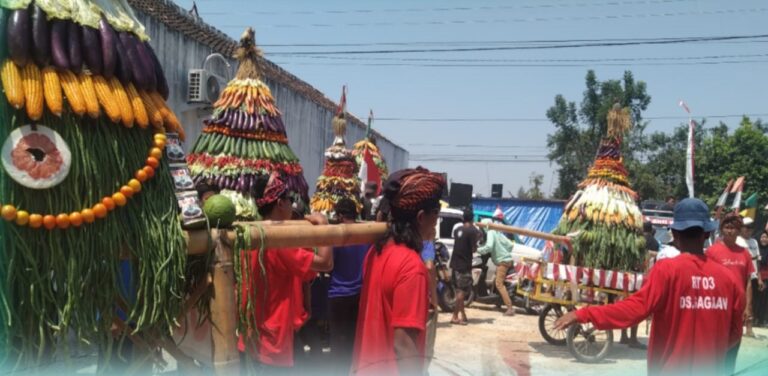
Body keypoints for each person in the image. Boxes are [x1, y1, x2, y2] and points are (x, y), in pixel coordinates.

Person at [554, 198, 745, 376]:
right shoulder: (729, 280)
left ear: (676, 234)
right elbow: (735, 334)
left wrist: (583, 314)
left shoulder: (667, 271)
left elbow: (633, 310)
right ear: (707, 233)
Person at [351, 167, 446, 375]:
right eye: (436, 213)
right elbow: (404, 346)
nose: (437, 222)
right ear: (421, 217)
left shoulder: (376, 252)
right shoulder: (412, 268)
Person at [237, 172, 334, 370]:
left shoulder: (251, 232)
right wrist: (324, 226)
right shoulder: (280, 241)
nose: (292, 204)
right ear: (280, 204)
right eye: (290, 199)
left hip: (250, 337)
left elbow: (306, 274)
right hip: (271, 343)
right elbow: (325, 263)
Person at [706, 212, 755, 371]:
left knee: (733, 344)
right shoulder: (711, 252)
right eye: (727, 227)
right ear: (721, 229)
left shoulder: (745, 253)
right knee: (714, 346)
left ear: (739, 230)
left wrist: (748, 306)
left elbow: (748, 282)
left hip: (737, 308)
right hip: (717, 307)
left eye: (733, 228)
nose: (730, 231)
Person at [327, 198, 369, 373]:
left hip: (338, 295)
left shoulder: (336, 236)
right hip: (359, 295)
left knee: (338, 344)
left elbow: (328, 264)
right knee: (355, 342)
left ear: (341, 215)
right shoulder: (366, 234)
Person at [476, 218, 516, 316]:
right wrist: (502, 250)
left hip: (502, 262)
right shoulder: (497, 232)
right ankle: (498, 302)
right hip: (507, 260)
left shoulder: (490, 232)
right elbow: (510, 245)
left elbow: (489, 247)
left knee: (499, 284)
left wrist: (478, 250)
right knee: (495, 281)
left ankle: (510, 308)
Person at [449, 207, 480, 325]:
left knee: (459, 292)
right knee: (462, 293)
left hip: (455, 264)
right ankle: (455, 316)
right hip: (463, 265)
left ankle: (463, 315)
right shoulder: (472, 231)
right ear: (472, 219)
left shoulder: (458, 230)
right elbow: (473, 249)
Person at [737, 216, 763, 337]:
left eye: (751, 228)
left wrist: (759, 278)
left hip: (752, 275)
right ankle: (737, 327)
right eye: (746, 227)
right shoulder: (737, 240)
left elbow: (757, 260)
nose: (748, 230)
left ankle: (749, 328)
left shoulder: (754, 242)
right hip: (740, 275)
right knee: (738, 301)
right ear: (741, 228)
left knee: (750, 302)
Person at [421, 229, 439, 373]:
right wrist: (434, 297)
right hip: (423, 298)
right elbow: (429, 266)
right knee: (426, 344)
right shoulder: (426, 241)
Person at [755, 231, 768, 327]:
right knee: (757, 298)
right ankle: (754, 318)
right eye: (762, 237)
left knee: (765, 299)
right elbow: (756, 264)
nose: (764, 239)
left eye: (766, 237)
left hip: (767, 277)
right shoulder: (757, 249)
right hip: (757, 276)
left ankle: (762, 319)